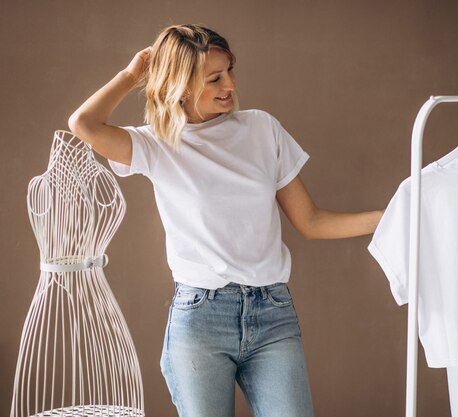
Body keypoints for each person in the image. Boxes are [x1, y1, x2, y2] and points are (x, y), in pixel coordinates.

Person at [68, 23, 383, 417]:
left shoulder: (262, 129)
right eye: (214, 78)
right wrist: (132, 76)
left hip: (272, 312)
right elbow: (83, 124)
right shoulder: (156, 145)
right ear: (181, 86)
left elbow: (312, 221)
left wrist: (395, 216)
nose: (229, 85)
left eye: (230, 71)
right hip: (200, 318)